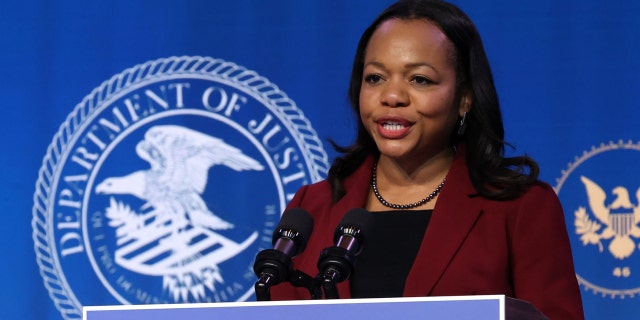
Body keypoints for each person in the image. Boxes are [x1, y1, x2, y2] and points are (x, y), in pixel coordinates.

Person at [269, 0, 584, 319]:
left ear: (464, 97)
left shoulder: (522, 208)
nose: (392, 96)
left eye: (419, 79)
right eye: (375, 78)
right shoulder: (312, 207)